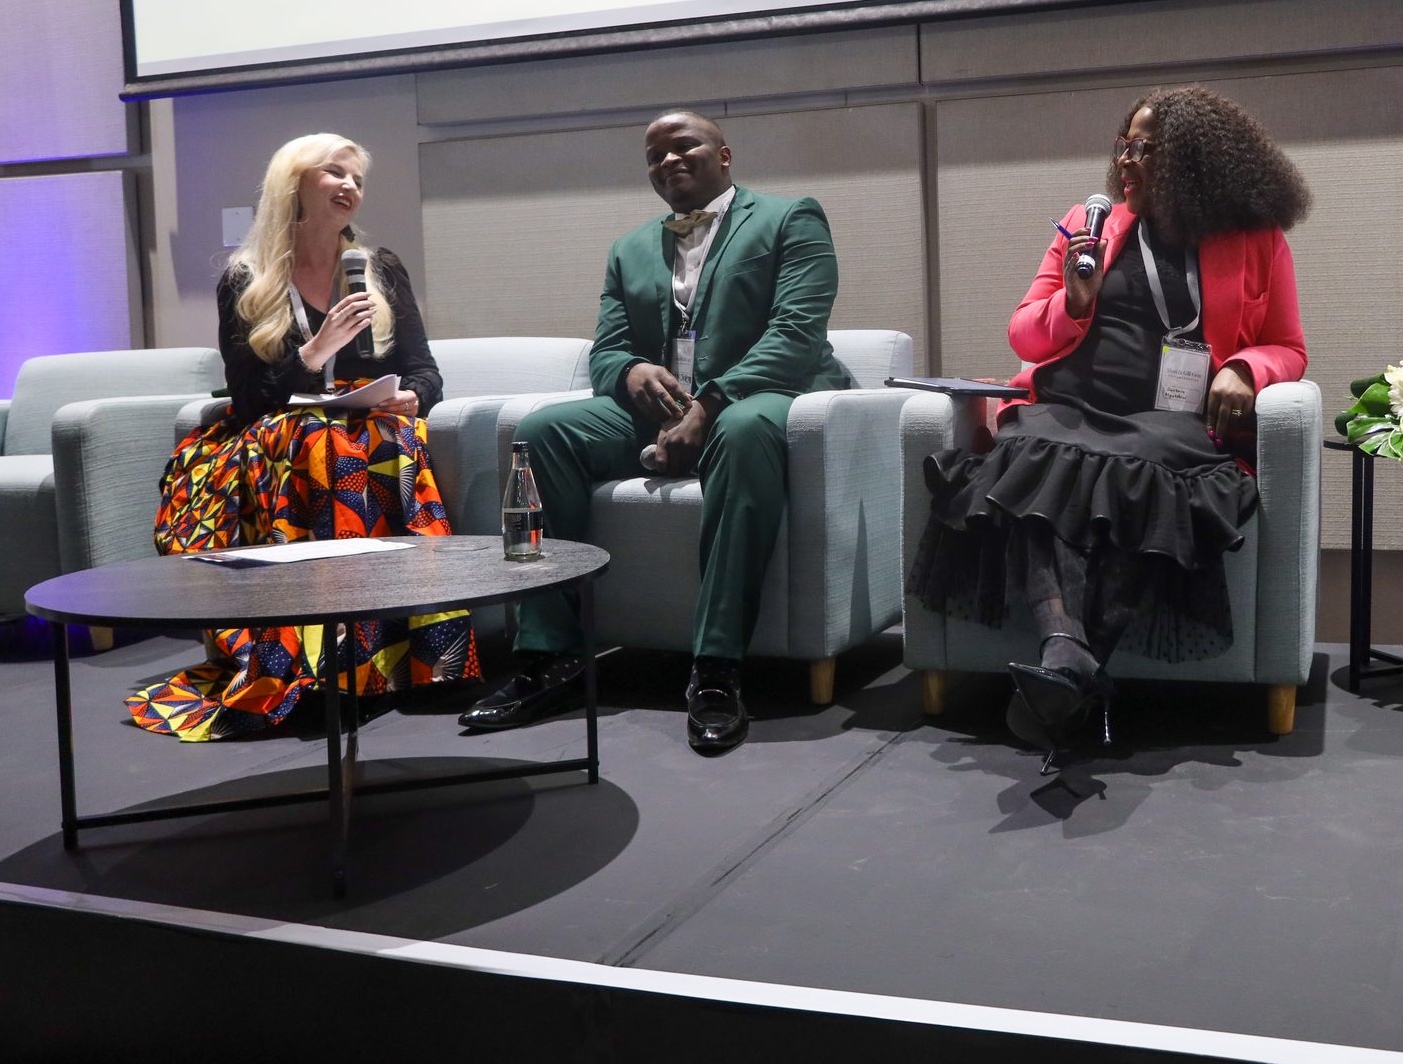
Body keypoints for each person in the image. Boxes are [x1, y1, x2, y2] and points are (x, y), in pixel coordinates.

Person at [908, 86, 1310, 767]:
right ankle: (1068, 658)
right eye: (1124, 144)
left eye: (1146, 148)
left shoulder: (1254, 238)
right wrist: (1073, 300)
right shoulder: (1086, 227)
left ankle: (1064, 670)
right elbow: (1024, 333)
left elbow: (1289, 346)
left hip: (1171, 425)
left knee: (1138, 474)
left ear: (1193, 160)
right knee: (1034, 450)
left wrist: (1246, 368)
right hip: (1068, 408)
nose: (1126, 159)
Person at [455, 109, 852, 753]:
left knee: (741, 430)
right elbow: (607, 350)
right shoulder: (630, 248)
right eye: (653, 155)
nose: (667, 160)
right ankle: (549, 654)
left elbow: (796, 333)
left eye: (683, 145)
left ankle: (716, 668)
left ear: (724, 155)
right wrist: (631, 370)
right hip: (660, 409)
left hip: (760, 398)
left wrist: (711, 402)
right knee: (542, 432)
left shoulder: (789, 218)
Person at [131, 133, 480, 740]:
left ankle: (424, 660)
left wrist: (412, 397)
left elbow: (425, 371)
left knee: (379, 444)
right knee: (324, 445)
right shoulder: (247, 277)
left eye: (358, 179)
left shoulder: (378, 269)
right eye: (335, 173)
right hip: (278, 434)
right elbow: (248, 396)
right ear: (295, 183)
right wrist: (315, 352)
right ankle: (327, 669)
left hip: (366, 427)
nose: (350, 186)